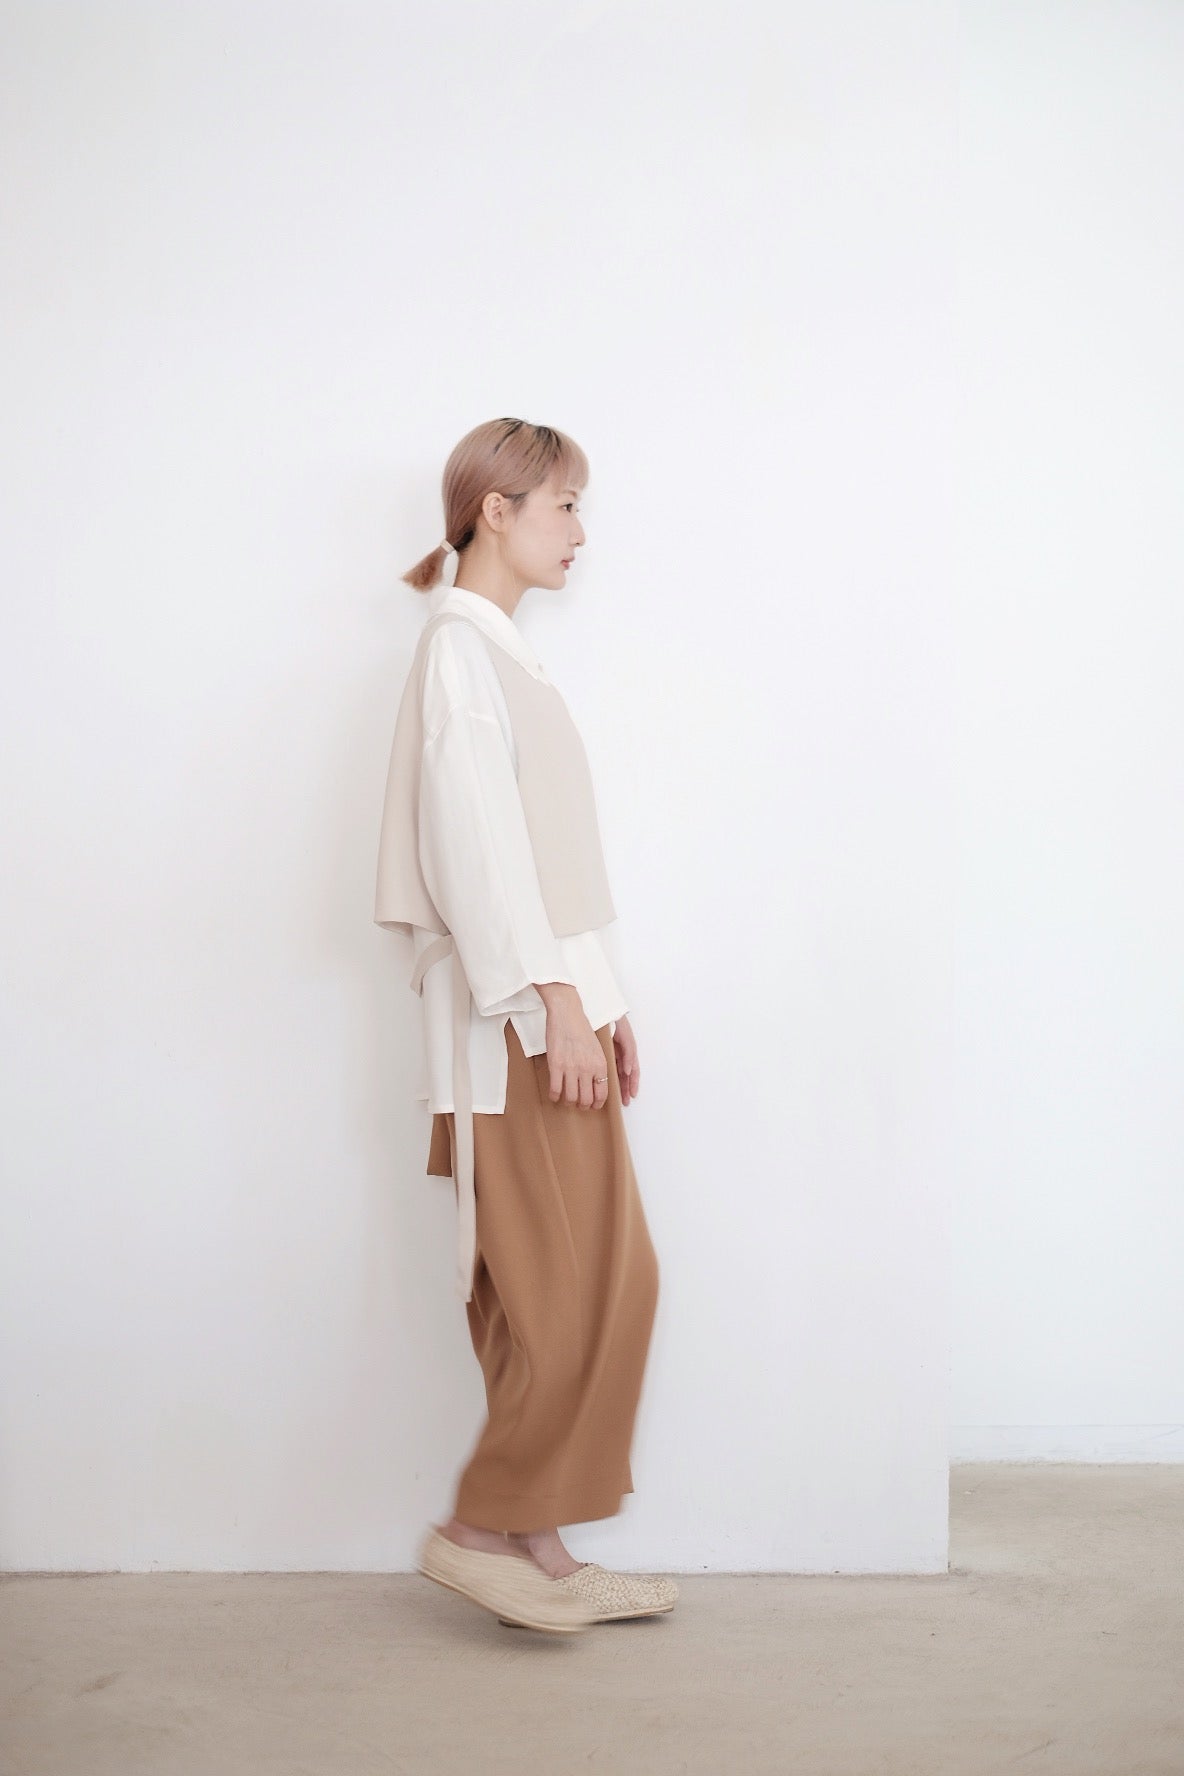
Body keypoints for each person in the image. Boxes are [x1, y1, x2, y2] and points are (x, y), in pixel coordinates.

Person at [374, 417, 677, 1634]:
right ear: (494, 512)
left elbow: (546, 859)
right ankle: (476, 1532)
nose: (580, 532)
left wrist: (603, 1002)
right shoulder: (459, 651)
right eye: (563, 505)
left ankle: (536, 1546)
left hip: (547, 1014)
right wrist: (554, 1003)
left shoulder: (497, 656)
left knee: (582, 1284)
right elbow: (479, 857)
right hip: (512, 1031)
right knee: (566, 1289)